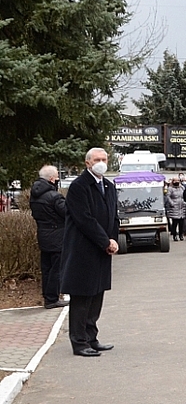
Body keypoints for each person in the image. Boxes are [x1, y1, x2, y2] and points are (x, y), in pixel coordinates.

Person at [58, 148, 118, 357]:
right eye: (97, 160)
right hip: (83, 250)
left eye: (104, 159)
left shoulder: (109, 185)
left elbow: (113, 216)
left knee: (96, 296)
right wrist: (105, 241)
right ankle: (79, 342)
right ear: (87, 163)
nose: (101, 162)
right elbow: (84, 219)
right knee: (82, 297)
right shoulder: (79, 187)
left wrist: (113, 240)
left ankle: (92, 338)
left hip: (102, 250)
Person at [30, 165, 69, 309]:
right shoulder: (54, 196)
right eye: (57, 176)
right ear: (52, 179)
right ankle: (52, 299)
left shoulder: (34, 195)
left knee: (46, 268)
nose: (58, 179)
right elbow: (66, 212)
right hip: (57, 236)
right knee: (56, 269)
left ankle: (48, 297)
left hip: (43, 234)